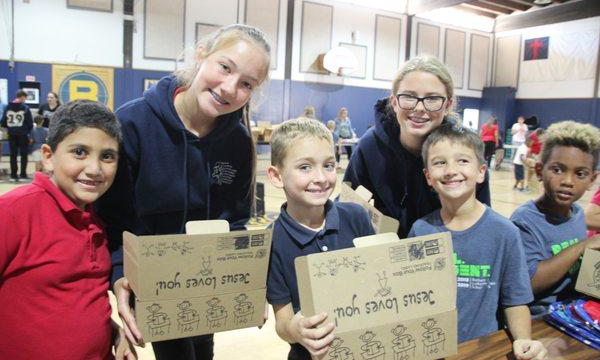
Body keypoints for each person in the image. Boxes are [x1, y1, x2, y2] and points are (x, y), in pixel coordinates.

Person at [96, 24, 271, 360]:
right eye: (225, 67)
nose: (229, 88)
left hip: (204, 280)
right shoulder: (133, 124)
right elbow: (111, 217)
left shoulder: (236, 141)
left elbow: (233, 221)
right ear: (200, 56)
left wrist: (245, 281)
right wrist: (119, 275)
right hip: (151, 279)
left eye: (247, 83)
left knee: (203, 351)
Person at [0, 100, 135, 360]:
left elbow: (71, 302)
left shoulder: (97, 219)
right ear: (48, 157)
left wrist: (110, 331)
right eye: (80, 152)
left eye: (107, 156)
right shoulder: (13, 212)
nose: (94, 169)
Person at [408, 124, 546, 359]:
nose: (451, 170)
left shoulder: (505, 233)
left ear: (481, 171)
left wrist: (523, 339)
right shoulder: (420, 231)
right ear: (428, 177)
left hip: (481, 350)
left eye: (462, 161)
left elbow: (516, 300)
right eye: (440, 162)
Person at [344, 55, 490, 237]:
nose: (420, 108)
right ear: (394, 102)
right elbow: (347, 208)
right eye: (409, 97)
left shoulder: (466, 151)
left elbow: (483, 222)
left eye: (432, 99)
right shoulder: (370, 147)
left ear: (448, 105)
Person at [266, 118, 374, 360]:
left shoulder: (357, 217)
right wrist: (295, 330)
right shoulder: (272, 240)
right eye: (305, 167)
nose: (321, 177)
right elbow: (282, 323)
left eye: (328, 165)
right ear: (276, 176)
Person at [510, 121, 600, 316]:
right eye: (558, 170)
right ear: (540, 171)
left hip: (575, 311)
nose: (568, 181)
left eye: (580, 174)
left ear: (592, 180)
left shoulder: (576, 214)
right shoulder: (525, 220)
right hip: (540, 319)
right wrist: (583, 246)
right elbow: (529, 283)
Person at [1, 89, 33, 182]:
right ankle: (23, 175)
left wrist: (10, 128)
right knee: (24, 155)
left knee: (13, 155)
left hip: (11, 134)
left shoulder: (8, 107)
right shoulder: (25, 108)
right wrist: (26, 129)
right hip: (23, 134)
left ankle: (13, 175)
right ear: (22, 97)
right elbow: (30, 123)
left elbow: (3, 122)